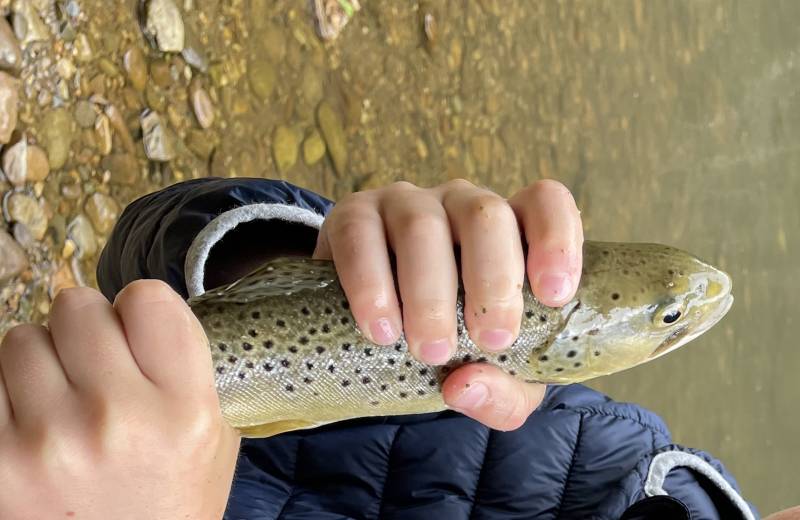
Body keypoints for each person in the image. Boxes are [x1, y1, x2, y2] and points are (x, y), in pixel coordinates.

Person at [0, 178, 763, 519]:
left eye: (665, 316)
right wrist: (295, 263)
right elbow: (136, 243)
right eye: (667, 316)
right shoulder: (580, 431)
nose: (689, 314)